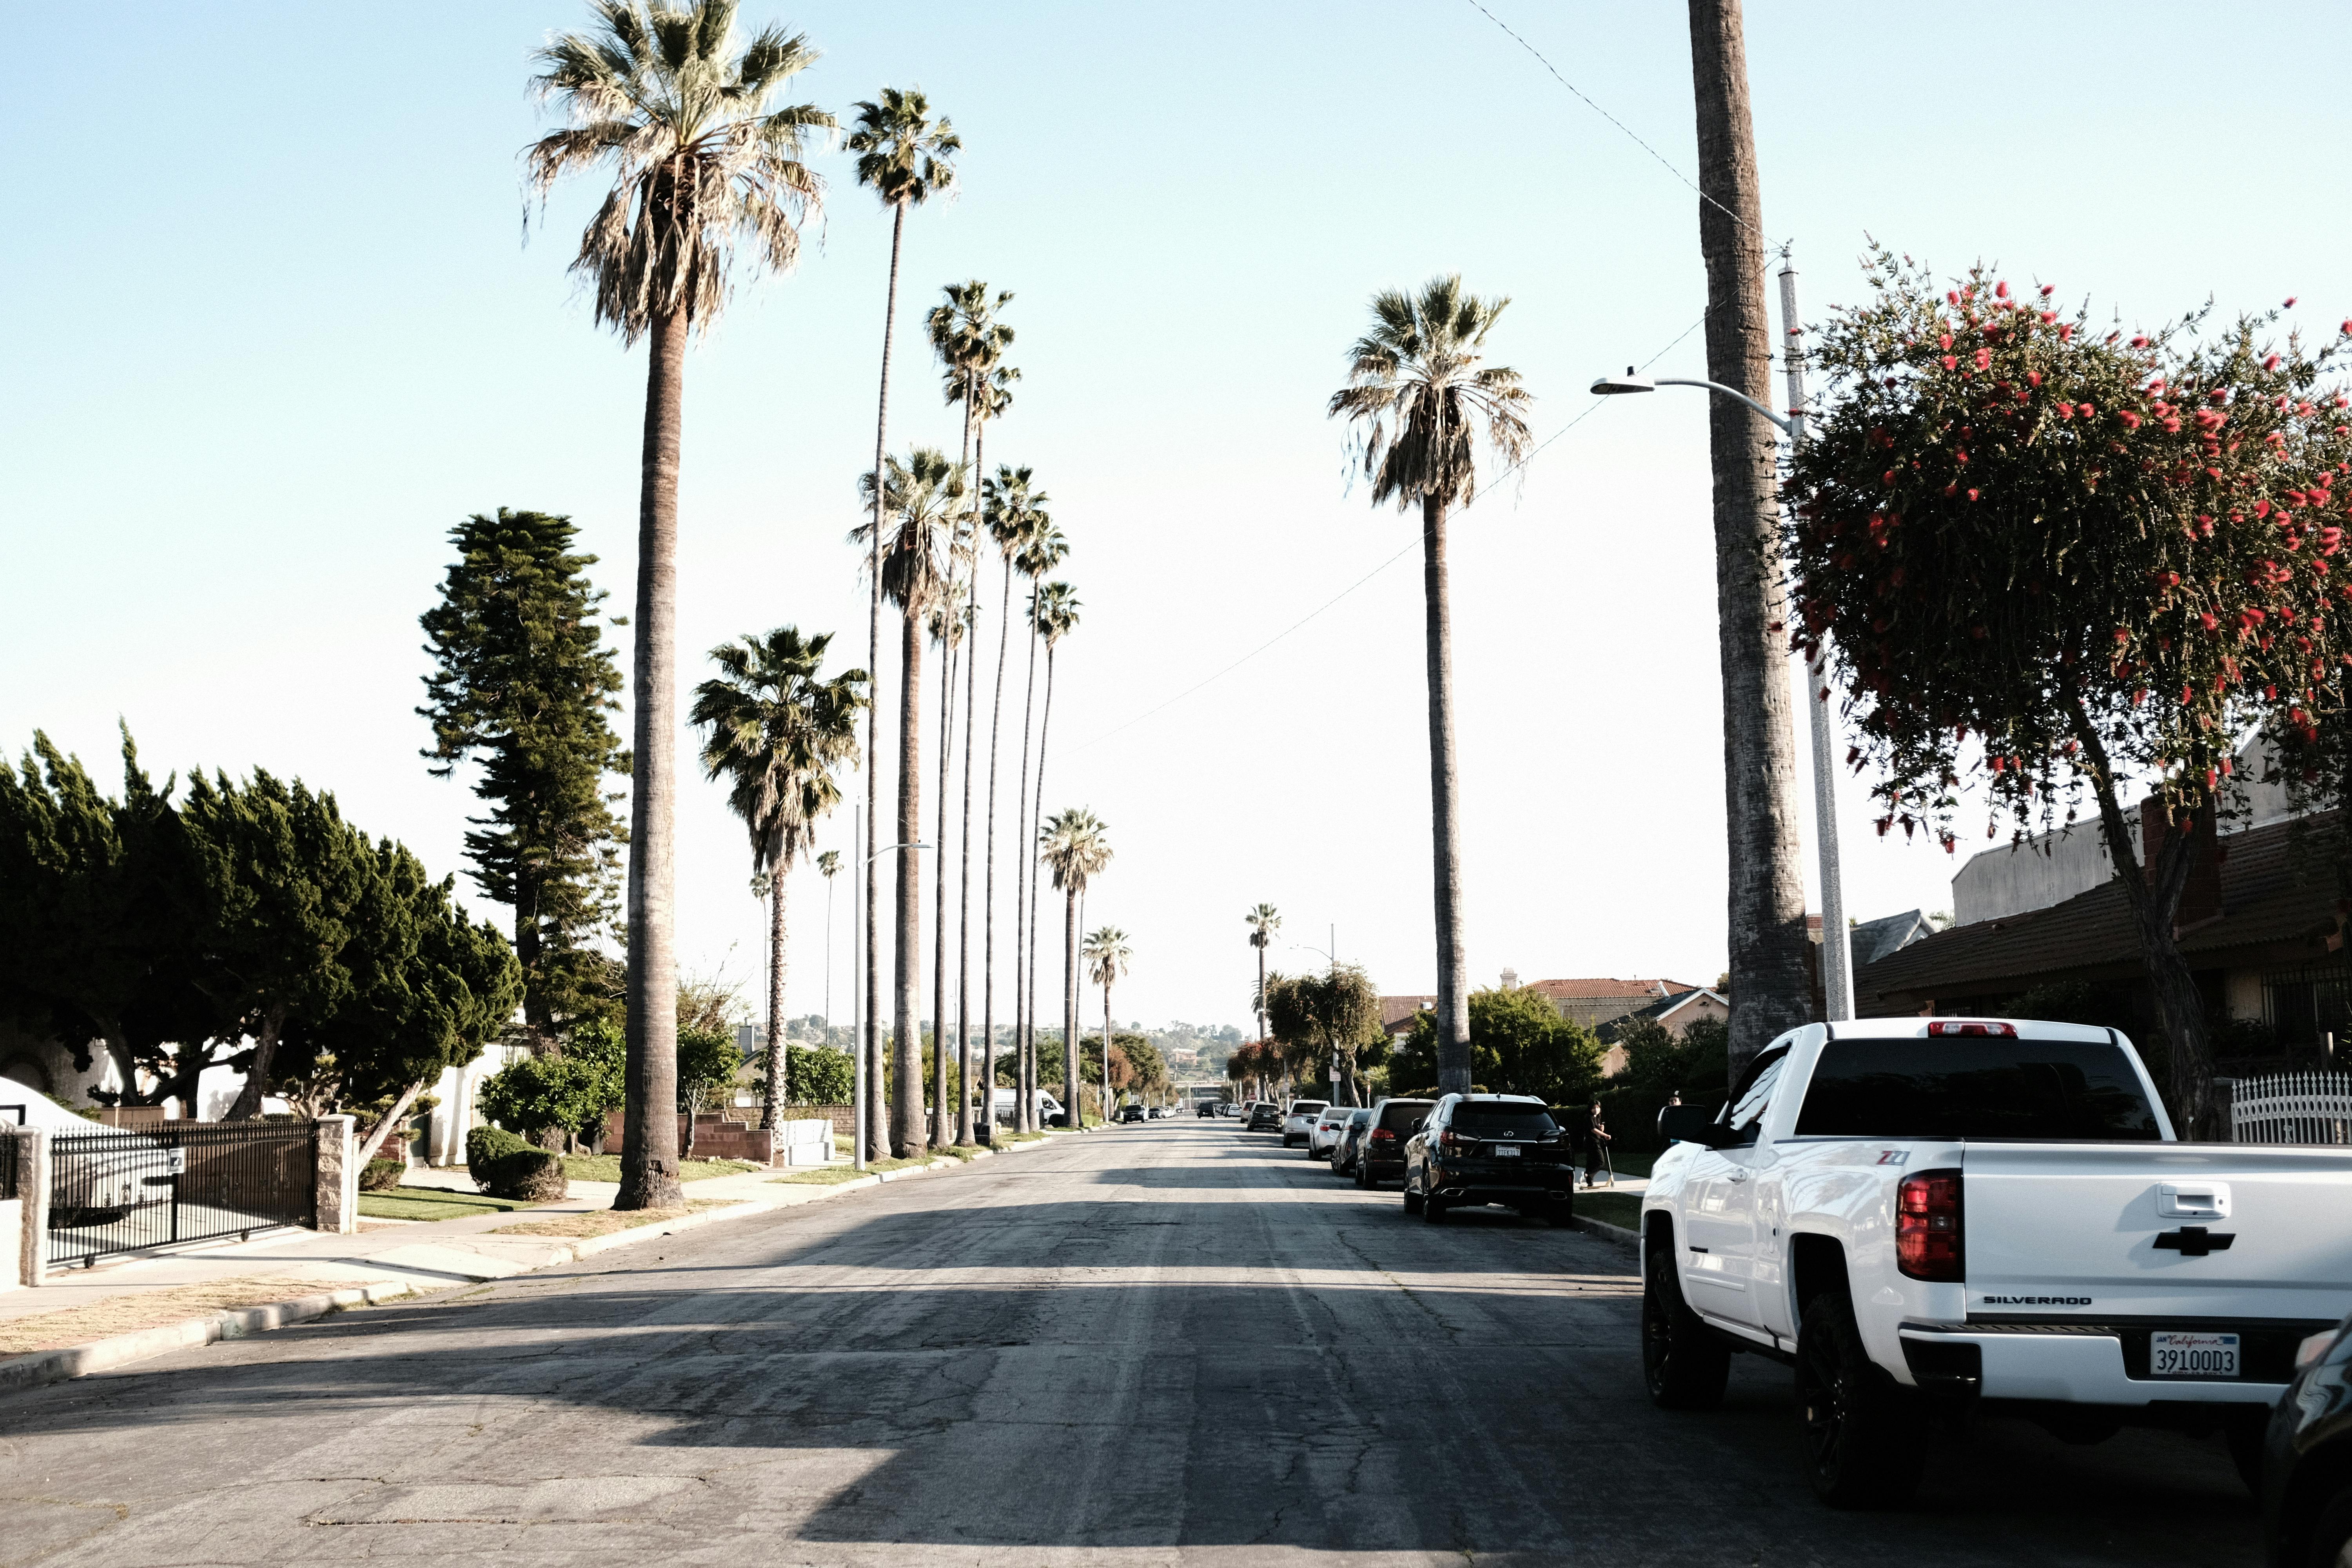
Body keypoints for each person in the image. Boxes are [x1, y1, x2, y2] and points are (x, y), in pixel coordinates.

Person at [1583, 1100, 1611, 1189]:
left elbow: (1597, 1130)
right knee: (1601, 1162)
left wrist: (1602, 1129)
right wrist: (1606, 1135)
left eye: (1598, 1108)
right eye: (1594, 1108)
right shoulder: (1589, 1117)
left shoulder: (1597, 1117)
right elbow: (1593, 1130)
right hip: (1592, 1142)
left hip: (1596, 1141)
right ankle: (1588, 1175)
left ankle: (1590, 1183)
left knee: (1591, 1162)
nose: (1596, 1110)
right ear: (1590, 1109)